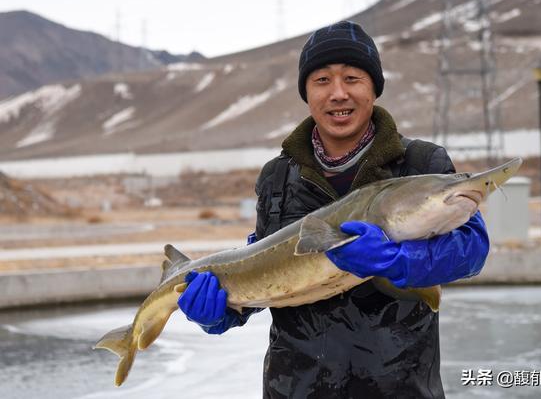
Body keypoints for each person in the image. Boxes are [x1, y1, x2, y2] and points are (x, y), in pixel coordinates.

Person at [177, 20, 489, 398]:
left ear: (374, 88)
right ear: (306, 93)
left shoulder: (421, 163)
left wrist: (400, 260)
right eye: (322, 80)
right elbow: (267, 272)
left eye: (353, 78)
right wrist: (226, 311)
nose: (338, 93)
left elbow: (471, 249)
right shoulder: (277, 177)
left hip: (399, 387)